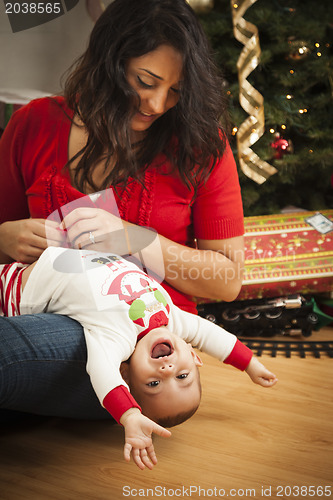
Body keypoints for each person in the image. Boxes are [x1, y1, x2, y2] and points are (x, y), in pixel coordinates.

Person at [0, 0, 245, 433]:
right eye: (144, 81)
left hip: (127, 347)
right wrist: (3, 237)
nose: (156, 104)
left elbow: (226, 282)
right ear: (108, 63)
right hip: (30, 308)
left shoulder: (203, 147)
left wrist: (138, 240)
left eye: (176, 90)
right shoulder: (32, 124)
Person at [0, 245, 277, 470]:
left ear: (127, 373)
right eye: (183, 376)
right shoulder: (172, 321)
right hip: (48, 257)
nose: (167, 370)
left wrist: (129, 414)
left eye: (153, 384)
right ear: (194, 357)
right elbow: (208, 333)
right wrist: (249, 363)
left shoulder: (116, 338)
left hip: (17, 290)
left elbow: (102, 371)